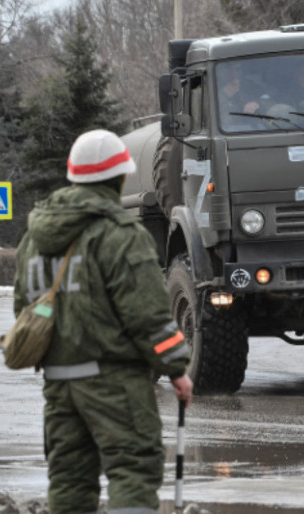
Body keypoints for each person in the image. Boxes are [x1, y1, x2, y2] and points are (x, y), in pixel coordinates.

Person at [13, 129, 193, 514]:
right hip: (115, 383)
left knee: (69, 483)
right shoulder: (121, 234)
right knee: (133, 472)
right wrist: (177, 367)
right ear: (117, 179)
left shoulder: (34, 238)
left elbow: (22, 309)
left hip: (59, 386)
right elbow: (148, 315)